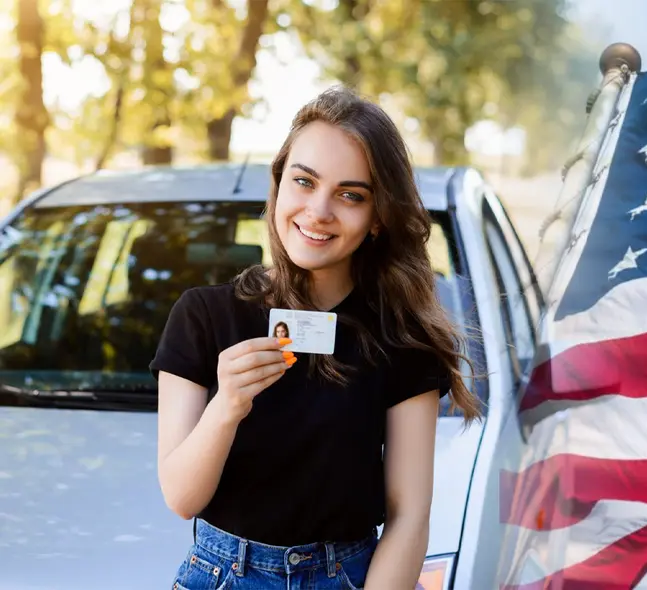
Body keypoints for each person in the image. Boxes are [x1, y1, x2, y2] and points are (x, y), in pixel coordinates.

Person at [151, 85, 483, 590]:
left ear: (377, 219)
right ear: (278, 185)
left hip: (346, 576)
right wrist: (227, 406)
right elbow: (181, 499)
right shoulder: (203, 316)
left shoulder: (401, 339)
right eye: (304, 181)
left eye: (351, 195)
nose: (319, 210)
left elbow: (410, 517)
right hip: (219, 575)